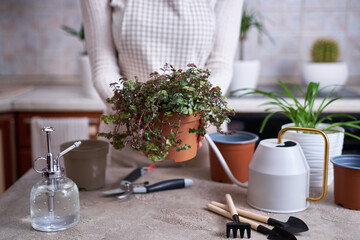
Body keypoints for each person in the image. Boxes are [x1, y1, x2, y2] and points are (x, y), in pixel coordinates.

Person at [80, 0, 243, 167]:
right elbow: (103, 65)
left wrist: (196, 111)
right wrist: (134, 116)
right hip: (127, 144)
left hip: (197, 143)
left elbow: (220, 65)